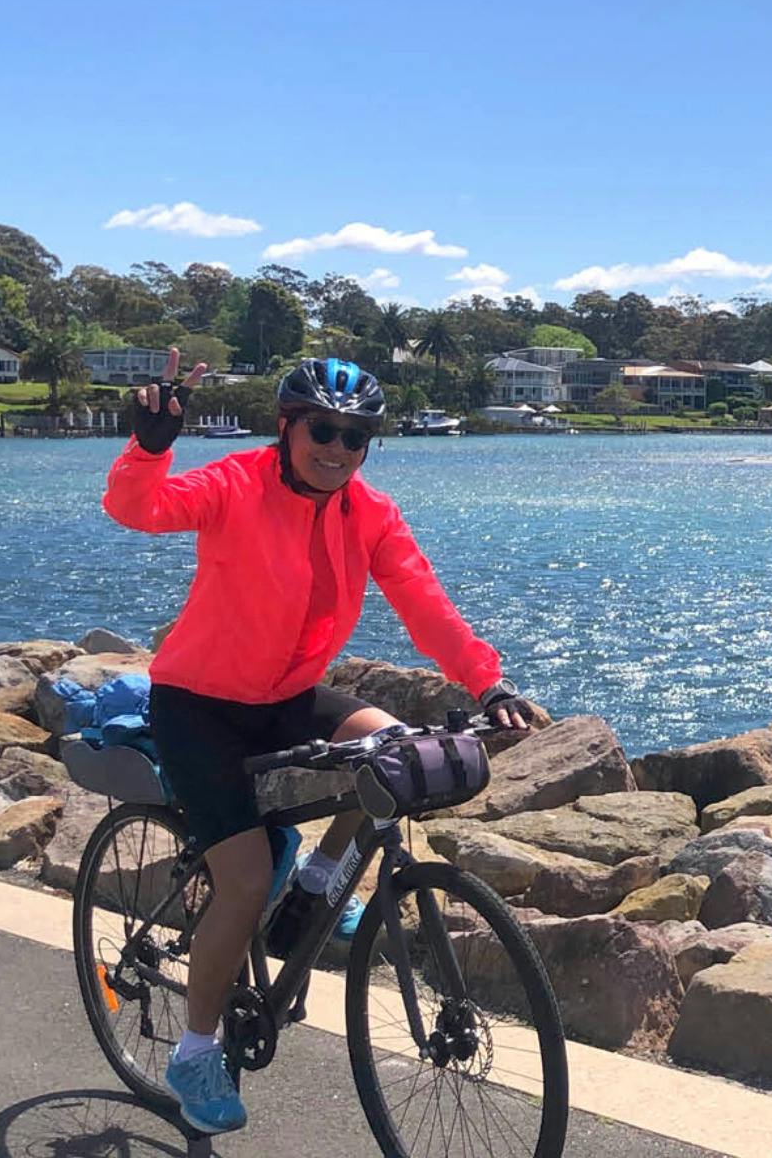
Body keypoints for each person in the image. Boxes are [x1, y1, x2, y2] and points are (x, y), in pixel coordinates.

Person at [102, 348, 535, 1135]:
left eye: (354, 437)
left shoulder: (368, 512)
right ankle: (195, 1050)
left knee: (404, 756)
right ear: (286, 427)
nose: (336, 449)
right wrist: (151, 447)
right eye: (322, 431)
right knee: (240, 881)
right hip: (198, 706)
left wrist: (486, 681)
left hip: (287, 699)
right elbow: (140, 510)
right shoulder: (235, 483)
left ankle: (320, 880)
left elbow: (423, 601)